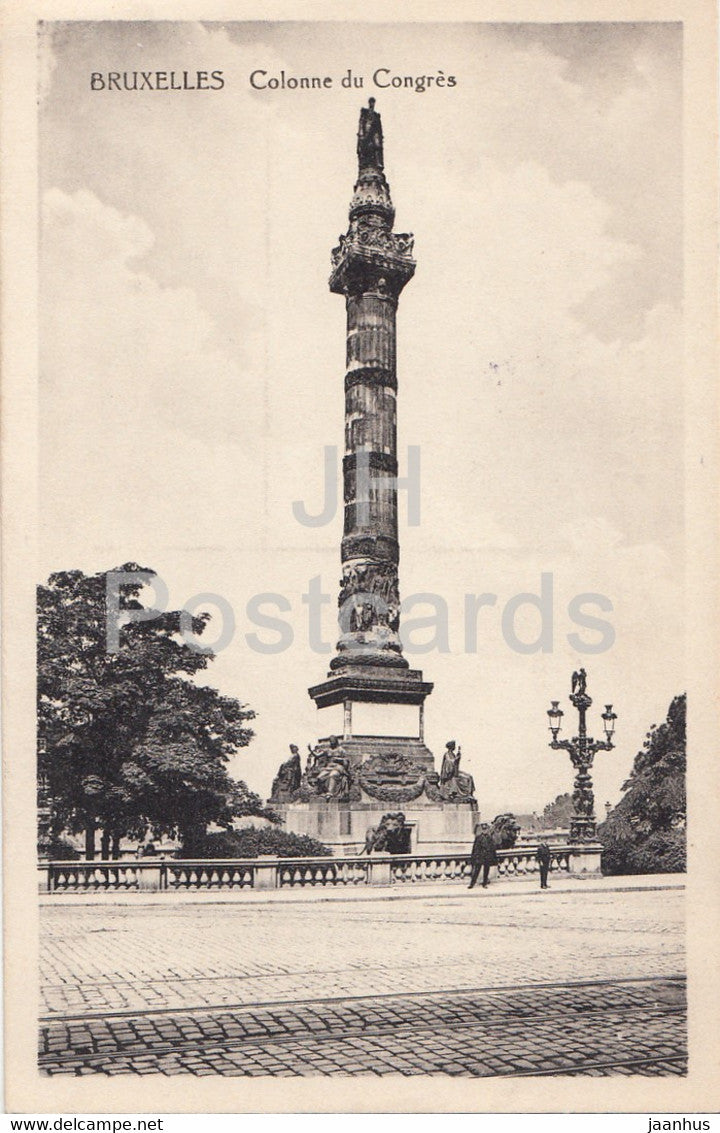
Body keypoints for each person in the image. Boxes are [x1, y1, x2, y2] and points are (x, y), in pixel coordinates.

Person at [468, 823, 498, 889]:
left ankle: (484, 884)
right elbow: (475, 848)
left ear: (487, 830)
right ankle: (472, 883)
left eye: (485, 829)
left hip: (487, 857)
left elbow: (493, 848)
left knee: (486, 871)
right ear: (482, 830)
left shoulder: (490, 838)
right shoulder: (478, 838)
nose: (484, 831)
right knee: (476, 871)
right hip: (480, 857)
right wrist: (474, 857)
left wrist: (493, 858)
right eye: (483, 829)